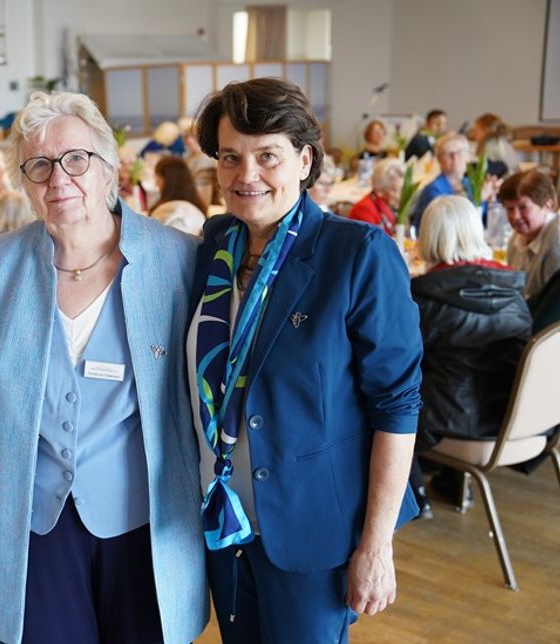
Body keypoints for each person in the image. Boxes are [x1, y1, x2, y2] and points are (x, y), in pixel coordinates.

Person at [0, 90, 208, 644]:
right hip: (35, 520)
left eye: (77, 160)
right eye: (39, 166)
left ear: (110, 171)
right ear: (24, 183)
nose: (59, 179)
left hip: (143, 518)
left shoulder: (175, 258)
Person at [190, 78, 422, 642]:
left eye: (267, 156)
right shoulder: (216, 243)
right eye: (230, 157)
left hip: (311, 529)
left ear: (304, 160)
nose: (246, 176)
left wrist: (377, 544)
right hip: (224, 520)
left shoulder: (358, 253)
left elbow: (398, 403)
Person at [409, 195, 530, 509]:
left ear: (429, 237)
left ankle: (412, 496)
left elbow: (394, 360)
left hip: (454, 421)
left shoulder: (425, 300)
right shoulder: (514, 292)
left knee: (379, 392)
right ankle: (446, 482)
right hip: (512, 417)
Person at [410, 132, 498, 232]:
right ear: (439, 160)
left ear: (468, 156)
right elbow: (449, 225)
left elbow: (486, 222)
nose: (455, 158)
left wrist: (492, 200)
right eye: (448, 154)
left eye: (460, 152)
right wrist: (480, 199)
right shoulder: (433, 189)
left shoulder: (470, 184)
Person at [500, 170, 560, 300]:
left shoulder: (556, 245)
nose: (515, 217)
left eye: (523, 208)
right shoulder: (517, 238)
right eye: (510, 209)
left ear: (547, 206)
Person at [150, 155, 207, 236]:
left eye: (158, 177)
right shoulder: (199, 211)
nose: (156, 183)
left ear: (167, 179)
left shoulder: (166, 211)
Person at [349, 158, 405, 236]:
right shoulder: (364, 210)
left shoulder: (386, 206)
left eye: (402, 189)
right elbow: (372, 245)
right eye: (395, 191)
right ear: (379, 191)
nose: (401, 196)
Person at [469, 112, 520, 178]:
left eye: (476, 130)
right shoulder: (500, 142)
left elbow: (489, 171)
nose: (473, 134)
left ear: (486, 130)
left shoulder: (490, 145)